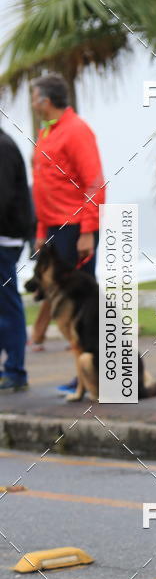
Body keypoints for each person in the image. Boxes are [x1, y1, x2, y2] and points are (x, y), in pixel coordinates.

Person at [30, 73, 106, 393]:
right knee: (68, 307)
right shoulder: (47, 132)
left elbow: (94, 183)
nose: (33, 103)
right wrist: (40, 231)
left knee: (83, 306)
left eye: (34, 97)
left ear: (45, 100)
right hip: (53, 230)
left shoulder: (76, 131)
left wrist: (87, 231)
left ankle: (98, 375)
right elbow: (45, 189)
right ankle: (84, 375)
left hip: (75, 229)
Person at [0, 126, 33, 392]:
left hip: (5, 239)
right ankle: (11, 370)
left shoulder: (3, 147)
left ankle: (16, 372)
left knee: (8, 305)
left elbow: (3, 198)